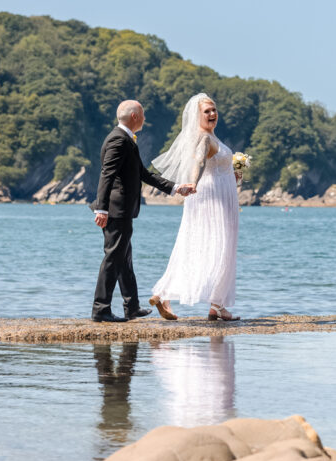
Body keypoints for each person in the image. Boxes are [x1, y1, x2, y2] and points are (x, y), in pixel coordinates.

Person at [89, 100, 196, 322]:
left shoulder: (125, 139)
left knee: (124, 258)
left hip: (121, 210)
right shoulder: (119, 140)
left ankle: (132, 307)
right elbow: (106, 175)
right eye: (143, 114)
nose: (145, 119)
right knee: (113, 258)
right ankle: (101, 309)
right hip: (115, 210)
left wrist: (176, 188)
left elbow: (144, 174)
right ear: (135, 116)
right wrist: (101, 209)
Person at [149, 93, 241, 321]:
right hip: (212, 200)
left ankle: (170, 295)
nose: (212, 114)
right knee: (217, 248)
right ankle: (215, 304)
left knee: (203, 246)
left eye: (214, 110)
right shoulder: (204, 139)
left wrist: (233, 174)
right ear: (196, 116)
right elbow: (199, 161)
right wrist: (193, 183)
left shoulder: (212, 136)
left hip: (219, 195)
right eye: (206, 111)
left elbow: (214, 166)